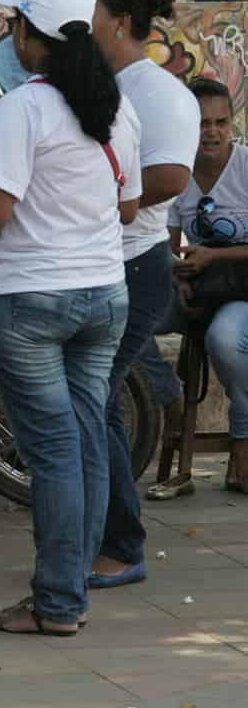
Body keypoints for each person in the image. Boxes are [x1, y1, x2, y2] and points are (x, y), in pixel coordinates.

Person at [0, 0, 142, 636]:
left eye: (17, 26)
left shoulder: (23, 107)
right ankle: (72, 589)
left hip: (32, 300)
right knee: (86, 433)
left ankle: (59, 600)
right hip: (103, 295)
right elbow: (126, 205)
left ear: (31, 37)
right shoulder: (117, 107)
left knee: (55, 449)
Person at [84, 0, 197, 590]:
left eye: (90, 10)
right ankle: (104, 537)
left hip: (135, 265)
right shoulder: (102, 84)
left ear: (119, 22)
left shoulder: (156, 93)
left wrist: (84, 201)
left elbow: (171, 179)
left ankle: (121, 544)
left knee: (97, 401)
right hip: (101, 263)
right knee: (90, 402)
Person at [166, 78, 248, 492]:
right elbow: (166, 246)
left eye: (220, 122)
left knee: (225, 339)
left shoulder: (246, 166)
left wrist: (214, 256)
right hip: (198, 289)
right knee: (124, 320)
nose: (211, 131)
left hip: (240, 290)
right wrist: (175, 277)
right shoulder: (175, 172)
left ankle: (243, 440)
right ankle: (167, 410)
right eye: (201, 123)